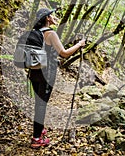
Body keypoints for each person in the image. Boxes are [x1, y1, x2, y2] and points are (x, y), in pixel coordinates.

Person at [29, 8, 85, 148]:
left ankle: (39, 130)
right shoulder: (50, 34)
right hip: (46, 74)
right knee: (42, 105)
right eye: (51, 15)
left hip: (34, 72)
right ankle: (36, 139)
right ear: (47, 18)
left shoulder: (35, 33)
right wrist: (79, 45)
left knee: (38, 102)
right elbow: (64, 53)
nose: (53, 17)